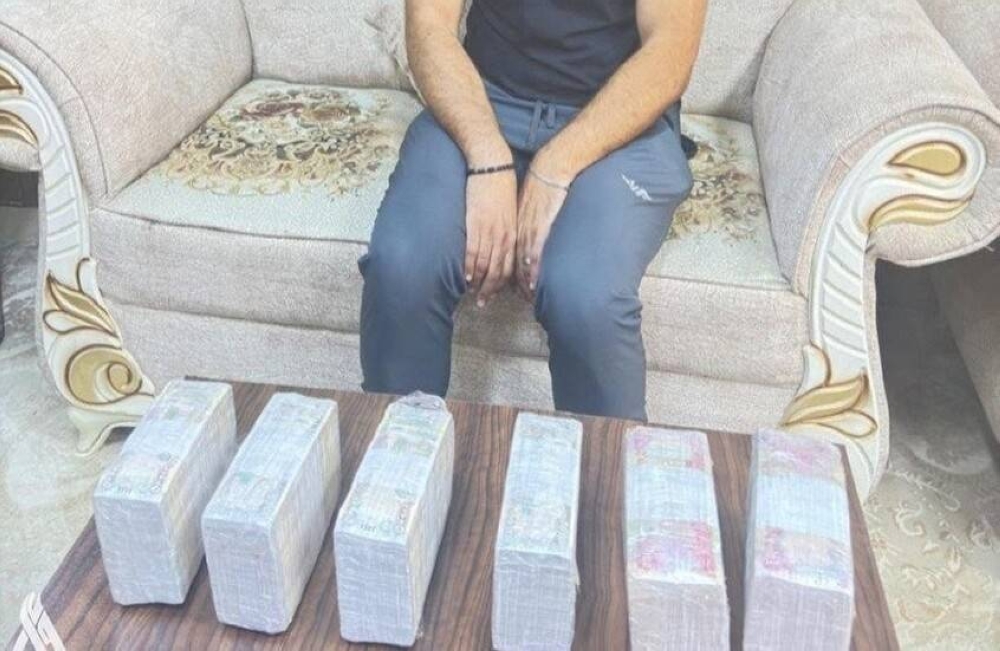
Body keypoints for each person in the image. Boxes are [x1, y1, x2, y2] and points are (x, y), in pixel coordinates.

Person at [359, 0, 707, 420]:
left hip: (619, 122)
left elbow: (670, 50)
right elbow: (429, 23)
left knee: (584, 296)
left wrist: (555, 165)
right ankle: (401, 454)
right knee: (403, 264)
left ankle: (605, 462)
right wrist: (487, 155)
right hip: (482, 103)